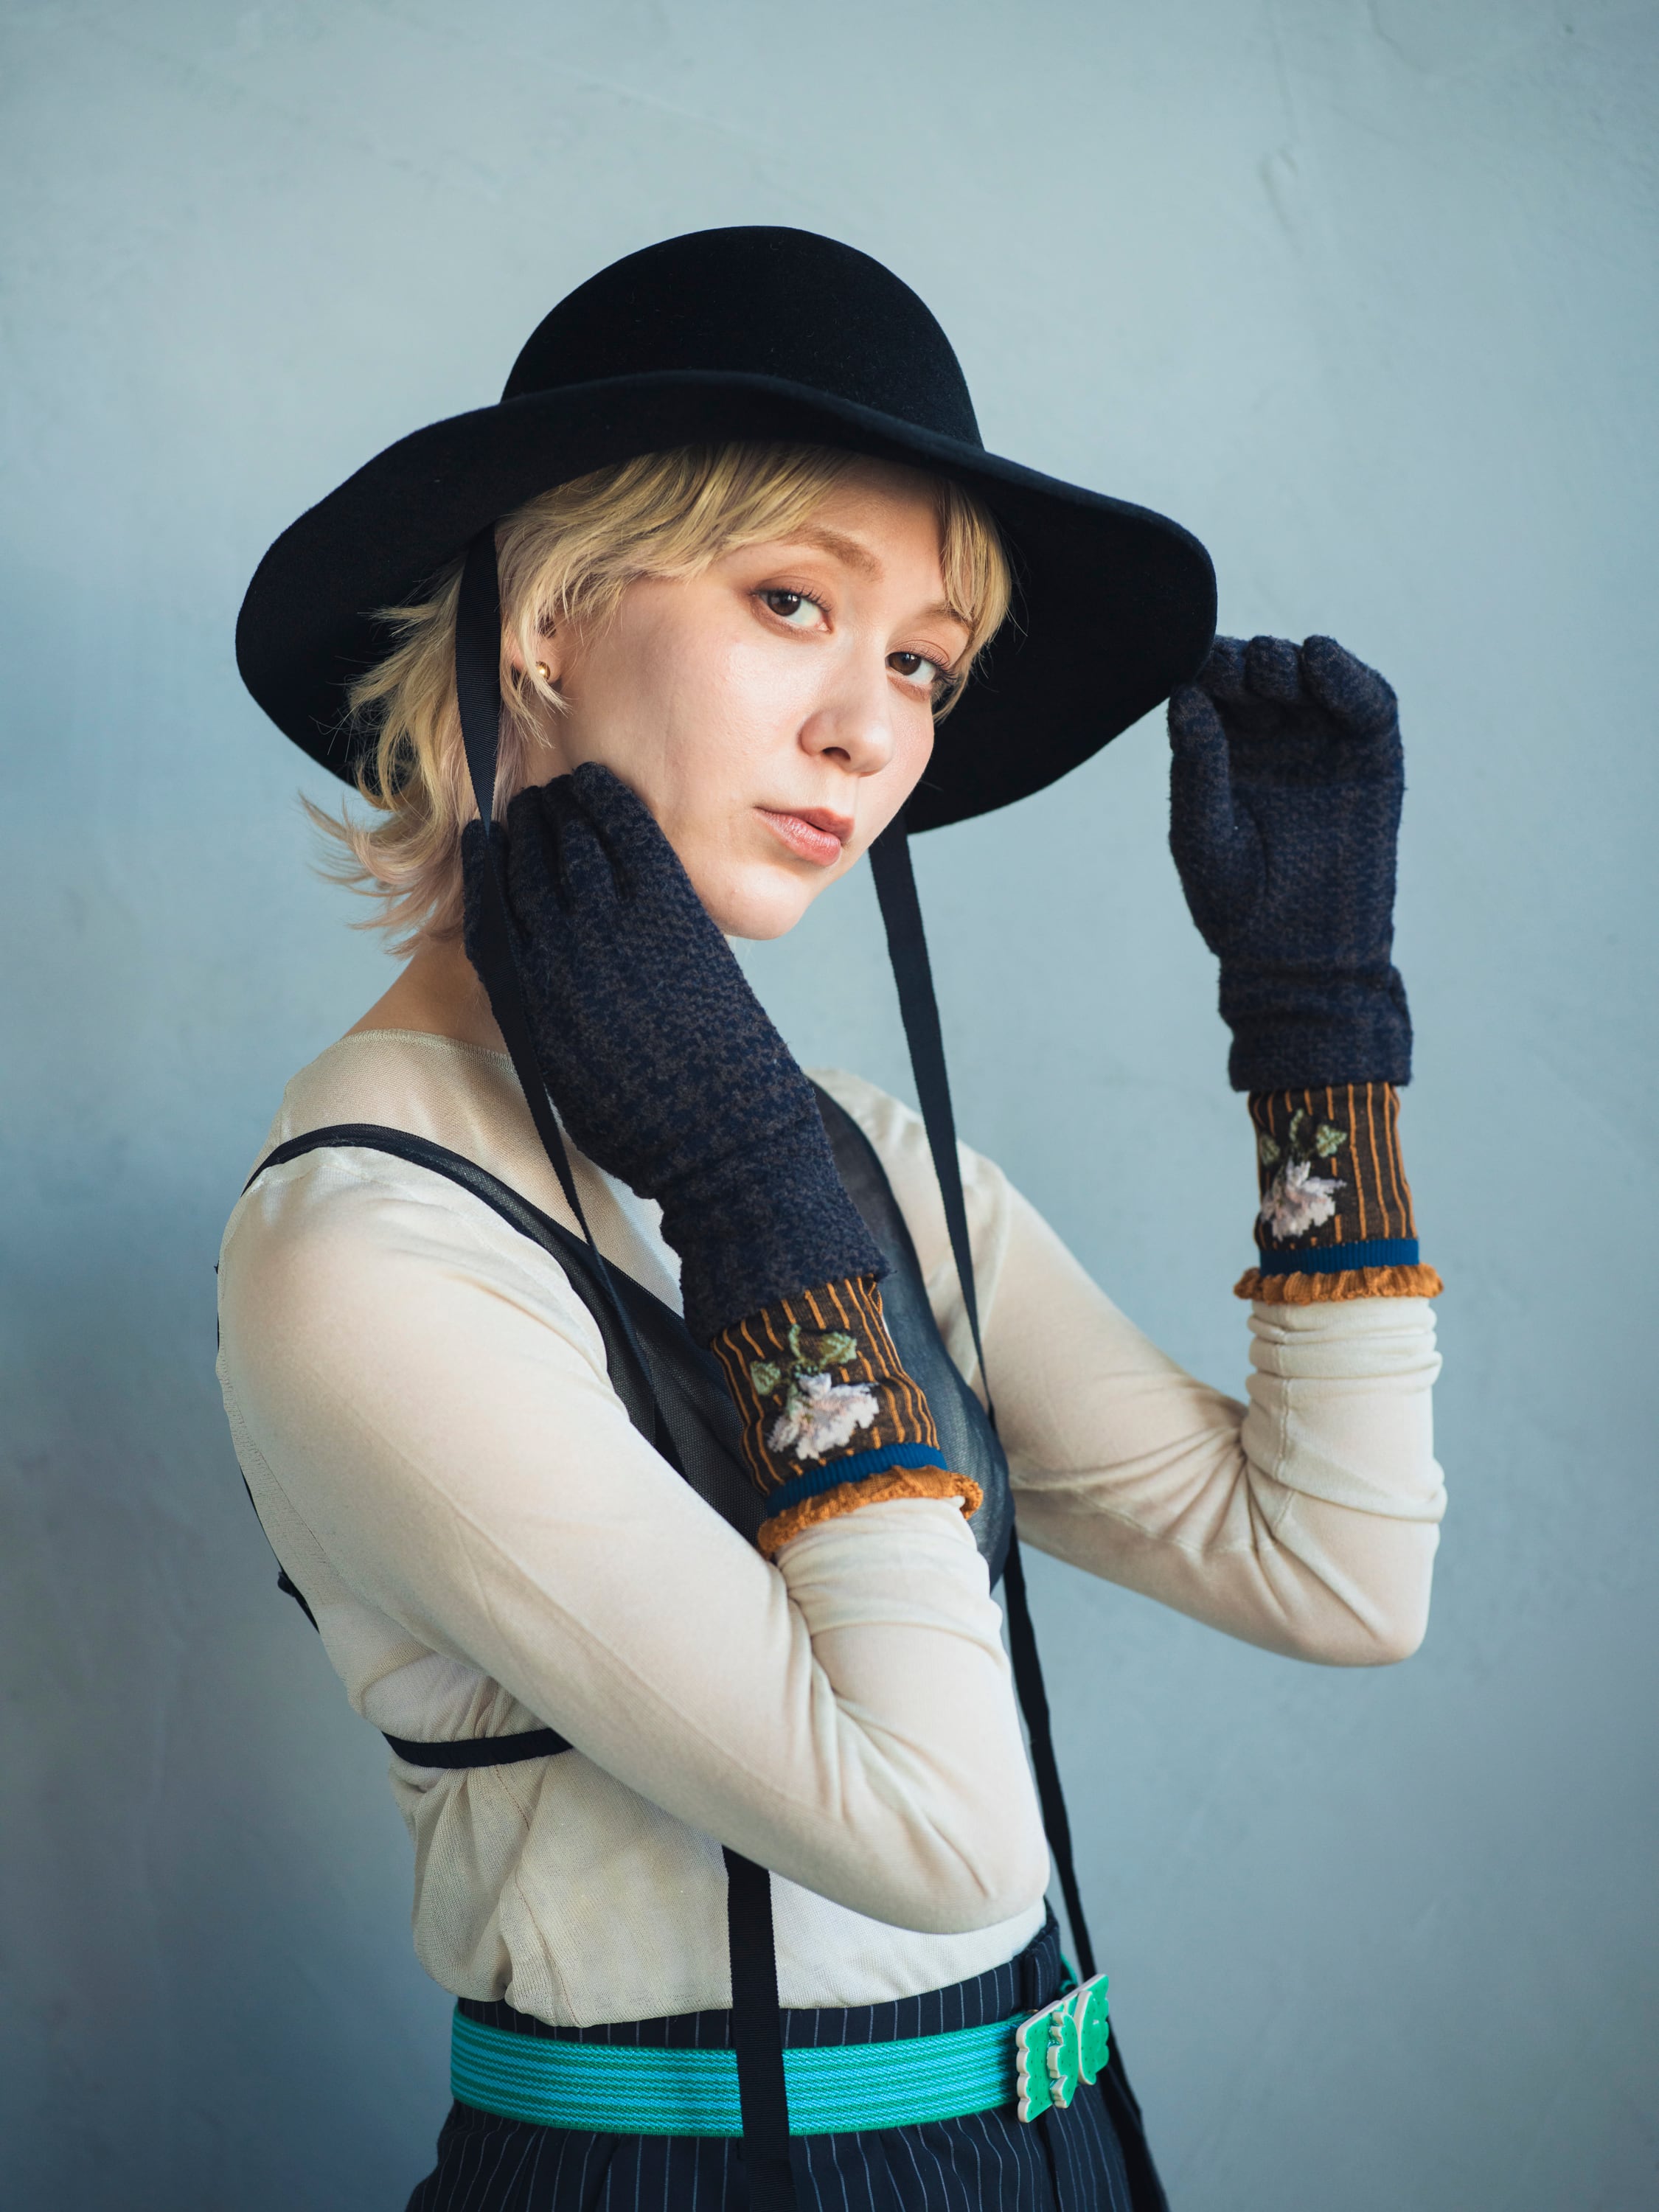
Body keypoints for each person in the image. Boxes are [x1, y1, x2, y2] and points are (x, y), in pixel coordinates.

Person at [221, 227, 1445, 2212]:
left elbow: (1333, 1574)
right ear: (545, 620)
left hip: (1061, 2155)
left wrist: (1317, 1029)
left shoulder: (849, 1155)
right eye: (792, 600)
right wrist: (748, 1206)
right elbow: (942, 1840)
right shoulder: (365, 1250)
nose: (872, 732)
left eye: (920, 664)